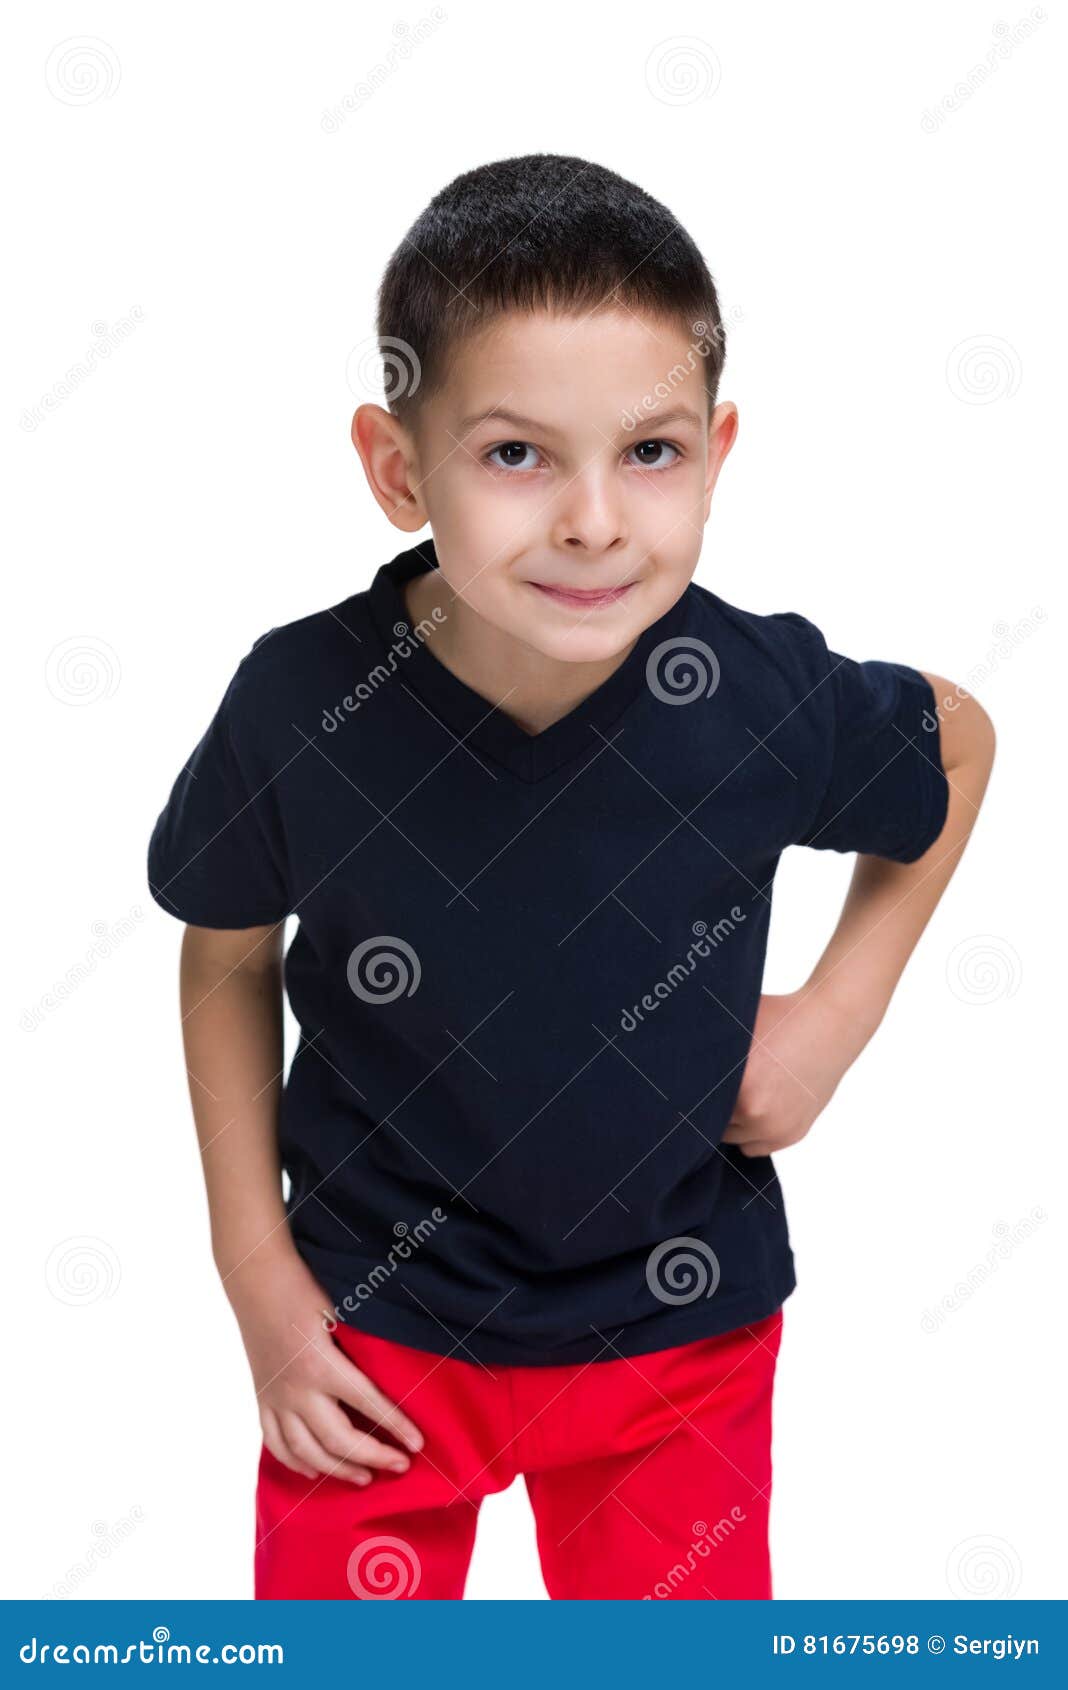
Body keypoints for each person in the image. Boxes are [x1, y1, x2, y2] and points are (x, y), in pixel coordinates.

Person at [147, 154, 996, 1601]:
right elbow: (226, 942)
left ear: (719, 450)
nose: (596, 520)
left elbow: (961, 745)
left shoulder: (755, 694)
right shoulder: (305, 704)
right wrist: (258, 1277)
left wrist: (836, 1016)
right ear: (396, 464)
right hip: (373, 1336)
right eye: (516, 454)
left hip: (678, 1336)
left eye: (651, 453)